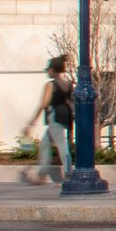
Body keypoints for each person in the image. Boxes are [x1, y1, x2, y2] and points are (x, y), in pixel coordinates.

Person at [27, 55, 73, 184]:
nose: (47, 72)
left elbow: (44, 104)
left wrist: (32, 121)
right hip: (65, 117)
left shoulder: (51, 84)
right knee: (45, 144)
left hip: (55, 116)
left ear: (53, 70)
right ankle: (42, 174)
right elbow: (71, 101)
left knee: (62, 146)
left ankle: (69, 174)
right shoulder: (68, 84)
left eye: (48, 69)